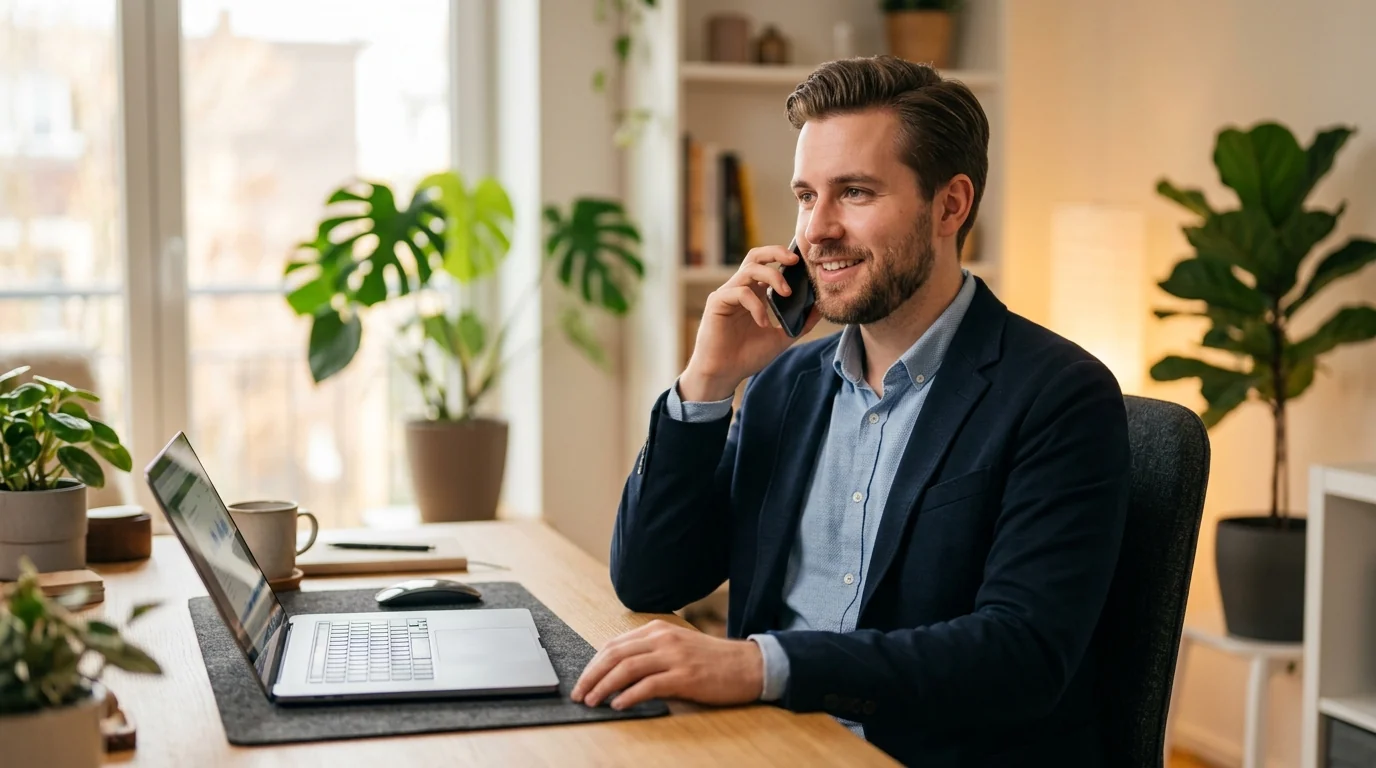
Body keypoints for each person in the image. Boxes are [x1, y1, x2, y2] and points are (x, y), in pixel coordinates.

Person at [572, 55, 1131, 767]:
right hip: (768, 744)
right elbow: (652, 580)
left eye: (855, 193)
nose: (816, 230)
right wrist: (707, 380)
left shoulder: (1059, 395)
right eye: (807, 196)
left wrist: (760, 666)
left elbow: (1020, 656)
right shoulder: (786, 384)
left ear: (950, 206)